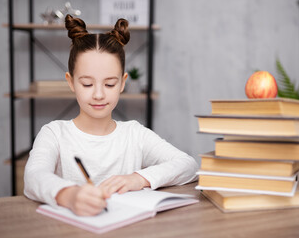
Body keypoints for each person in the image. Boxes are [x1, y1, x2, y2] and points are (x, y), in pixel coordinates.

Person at [24, 15, 198, 216]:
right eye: (87, 84)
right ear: (70, 82)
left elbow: (189, 166)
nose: (98, 94)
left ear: (123, 83)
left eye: (109, 84)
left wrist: (138, 178)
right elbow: (33, 176)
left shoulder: (134, 134)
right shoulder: (54, 133)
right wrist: (69, 196)